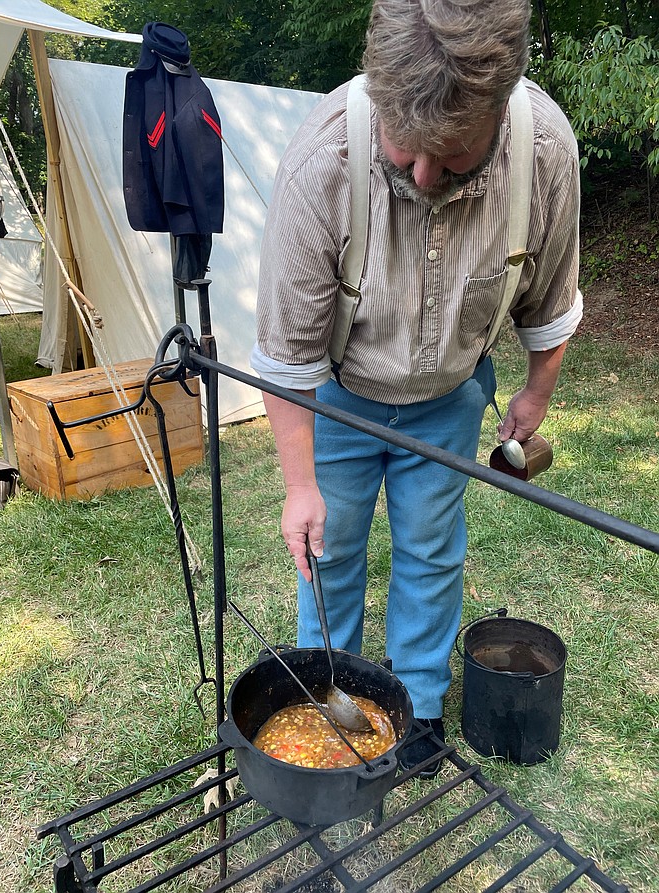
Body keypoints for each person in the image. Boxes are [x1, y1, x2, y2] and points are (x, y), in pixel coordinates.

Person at [251, 0, 582, 775]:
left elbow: (553, 299)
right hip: (336, 394)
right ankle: (326, 695)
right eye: (407, 153)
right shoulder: (321, 162)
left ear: (499, 113)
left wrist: (536, 395)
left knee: (431, 551)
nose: (426, 176)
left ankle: (418, 707)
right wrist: (299, 484)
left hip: (450, 392)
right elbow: (288, 352)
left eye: (454, 156)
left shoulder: (546, 154)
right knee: (326, 554)